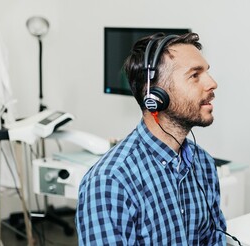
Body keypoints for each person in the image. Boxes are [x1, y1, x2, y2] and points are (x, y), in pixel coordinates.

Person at [76, 32, 227, 245]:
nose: (212, 83)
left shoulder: (204, 164)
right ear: (155, 95)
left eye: (207, 73)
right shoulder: (110, 182)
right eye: (195, 75)